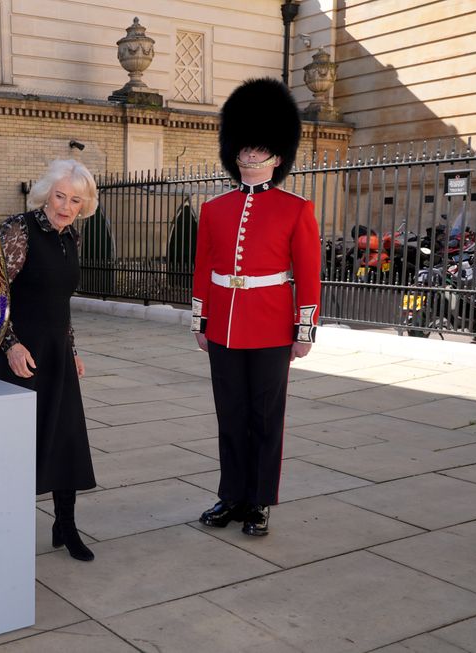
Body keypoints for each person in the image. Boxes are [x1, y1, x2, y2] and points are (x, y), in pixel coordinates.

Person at [191, 78, 321, 536]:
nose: (248, 156)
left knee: (266, 417)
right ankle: (231, 495)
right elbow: (204, 267)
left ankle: (260, 500)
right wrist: (200, 320)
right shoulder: (215, 209)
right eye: (243, 149)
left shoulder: (295, 209)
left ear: (277, 156)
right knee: (230, 414)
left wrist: (304, 331)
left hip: (270, 327)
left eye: (257, 149)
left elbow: (307, 274)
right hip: (224, 326)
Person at [0, 159, 99, 562]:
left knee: (65, 440)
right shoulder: (18, 229)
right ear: (46, 191)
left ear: (85, 205)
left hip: (56, 354)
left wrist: (73, 350)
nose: (65, 206)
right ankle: (0, 531)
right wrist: (10, 344)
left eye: (75, 200)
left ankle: (64, 525)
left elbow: (60, 304)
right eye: (60, 195)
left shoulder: (73, 238)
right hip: (16, 356)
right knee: (15, 450)